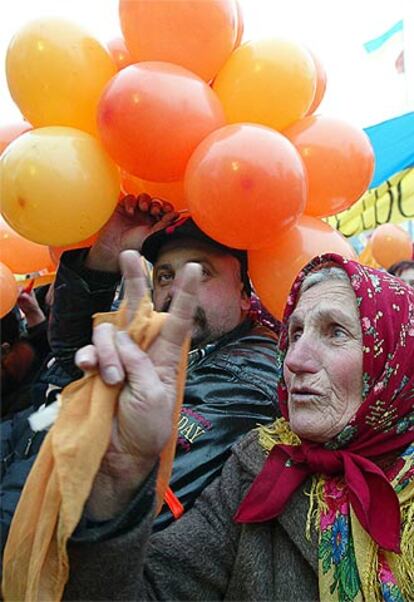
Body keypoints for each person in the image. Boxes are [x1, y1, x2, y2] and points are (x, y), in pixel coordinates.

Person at [58, 251, 413, 601]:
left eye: (335, 332)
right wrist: (120, 480)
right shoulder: (258, 463)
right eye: (296, 332)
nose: (295, 359)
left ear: (396, 359)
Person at [1, 195, 279, 555]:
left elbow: (119, 497)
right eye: (165, 276)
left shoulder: (246, 378)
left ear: (244, 295)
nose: (177, 290)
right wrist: (108, 252)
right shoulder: (156, 338)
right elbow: (72, 353)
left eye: (201, 273)